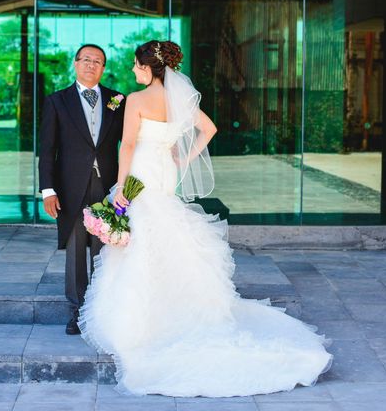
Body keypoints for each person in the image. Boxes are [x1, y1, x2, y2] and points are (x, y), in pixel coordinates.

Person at [77, 40, 333, 397]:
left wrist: (121, 185)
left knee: (144, 236)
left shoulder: (136, 100)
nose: (134, 71)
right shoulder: (180, 99)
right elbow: (209, 129)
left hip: (141, 174)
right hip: (165, 173)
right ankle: (181, 307)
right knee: (165, 229)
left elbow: (129, 146)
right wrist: (183, 158)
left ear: (150, 68)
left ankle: (144, 322)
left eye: (137, 65)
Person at [38, 44, 125, 335]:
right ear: (75, 64)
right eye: (86, 60)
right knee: (76, 250)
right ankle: (78, 311)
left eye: (97, 61)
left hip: (108, 185)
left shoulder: (117, 100)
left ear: (103, 68)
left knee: (106, 248)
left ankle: (103, 309)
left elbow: (131, 140)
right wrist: (48, 190)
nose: (91, 65)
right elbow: (47, 150)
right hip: (70, 186)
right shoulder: (57, 101)